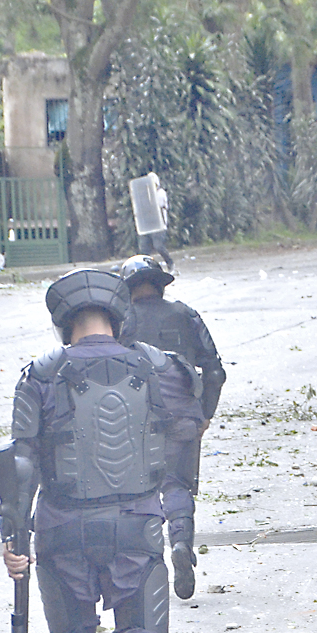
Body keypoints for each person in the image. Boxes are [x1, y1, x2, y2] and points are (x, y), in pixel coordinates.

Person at [0, 269, 204, 633]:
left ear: (63, 320)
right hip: (136, 524)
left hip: (61, 529)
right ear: (119, 316)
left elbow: (21, 463)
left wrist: (12, 540)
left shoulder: (39, 375)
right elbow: (191, 418)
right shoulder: (160, 366)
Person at [119, 255, 227, 600]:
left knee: (135, 494)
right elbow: (214, 371)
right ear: (160, 283)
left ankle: (143, 571)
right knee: (176, 484)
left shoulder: (119, 322)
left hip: (133, 421)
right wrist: (205, 413)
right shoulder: (185, 315)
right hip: (182, 416)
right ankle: (180, 541)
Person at [138, 174, 175, 273]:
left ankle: (170, 263)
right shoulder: (145, 194)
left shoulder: (160, 193)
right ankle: (147, 268)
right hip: (146, 225)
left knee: (158, 246)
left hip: (159, 225)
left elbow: (156, 205)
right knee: (144, 250)